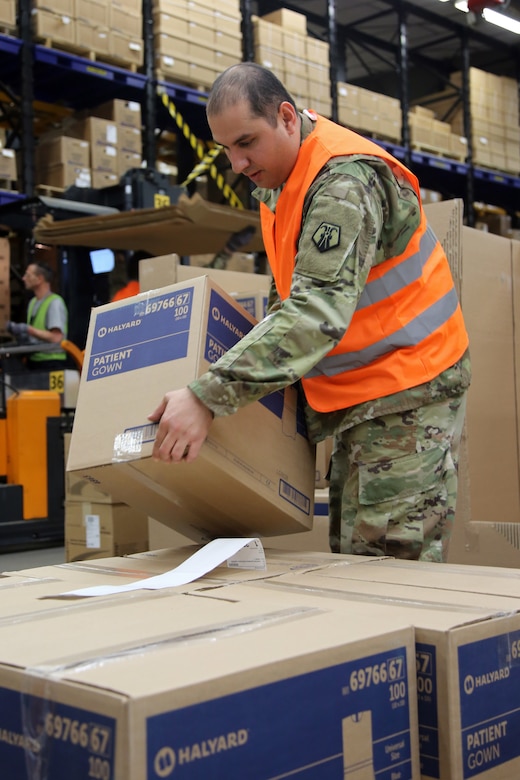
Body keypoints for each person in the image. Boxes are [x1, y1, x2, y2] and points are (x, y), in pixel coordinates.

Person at [148, 62, 471, 563]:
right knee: (355, 556)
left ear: (286, 117)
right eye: (226, 149)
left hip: (408, 390)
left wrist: (208, 396)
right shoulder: (282, 179)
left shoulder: (343, 184)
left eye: (247, 142)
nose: (236, 163)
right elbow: (290, 294)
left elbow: (316, 310)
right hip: (362, 394)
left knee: (389, 564)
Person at [7, 261, 68, 371]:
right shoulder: (33, 302)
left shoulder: (55, 302)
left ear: (39, 279)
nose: (24, 278)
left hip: (51, 362)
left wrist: (28, 329)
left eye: (28, 275)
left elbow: (56, 337)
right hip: (34, 360)